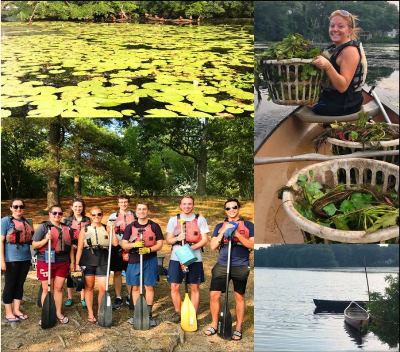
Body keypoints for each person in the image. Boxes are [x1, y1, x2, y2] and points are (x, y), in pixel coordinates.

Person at [205, 199, 254, 341]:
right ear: (225, 210)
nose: (231, 210)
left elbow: (252, 244)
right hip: (222, 264)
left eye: (234, 207)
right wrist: (223, 232)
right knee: (214, 294)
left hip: (240, 265)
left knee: (239, 296)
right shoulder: (220, 225)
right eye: (228, 208)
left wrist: (238, 235)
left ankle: (238, 328)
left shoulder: (249, 225)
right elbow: (213, 246)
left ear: (239, 208)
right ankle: (214, 324)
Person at [312, 9, 367, 116]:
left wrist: (327, 66)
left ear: (350, 31)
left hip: (345, 104)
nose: (335, 29)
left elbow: (342, 87)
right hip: (337, 99)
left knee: (310, 105)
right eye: (332, 26)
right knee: (306, 99)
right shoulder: (336, 47)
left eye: (340, 26)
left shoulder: (349, 51)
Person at [165, 196, 209, 322]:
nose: (187, 206)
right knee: (174, 286)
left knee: (194, 287)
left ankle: (192, 314)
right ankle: (179, 312)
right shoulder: (174, 220)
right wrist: (177, 238)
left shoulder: (200, 219)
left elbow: (205, 240)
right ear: (180, 205)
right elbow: (168, 240)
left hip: (194, 256)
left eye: (189, 204)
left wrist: (190, 250)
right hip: (176, 256)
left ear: (193, 205)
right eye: (184, 204)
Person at [121, 203, 164, 327]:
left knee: (149, 287)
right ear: (136, 211)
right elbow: (124, 244)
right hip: (134, 260)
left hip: (149, 259)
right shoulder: (130, 227)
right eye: (139, 209)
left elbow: (160, 244)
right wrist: (134, 245)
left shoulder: (154, 226)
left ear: (147, 211)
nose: (142, 211)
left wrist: (148, 250)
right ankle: (137, 313)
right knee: (134, 287)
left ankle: (148, 314)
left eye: (144, 209)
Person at [32, 204, 73, 325]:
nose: (57, 215)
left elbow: (70, 248)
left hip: (62, 261)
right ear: (50, 214)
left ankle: (58, 312)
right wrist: (45, 239)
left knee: (59, 288)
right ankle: (46, 313)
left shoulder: (67, 228)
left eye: (60, 213)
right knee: (46, 288)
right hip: (45, 260)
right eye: (54, 213)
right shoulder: (43, 227)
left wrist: (72, 263)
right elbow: (34, 245)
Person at [75, 206, 118, 323]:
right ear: (90, 216)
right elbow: (79, 248)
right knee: (88, 287)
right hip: (88, 259)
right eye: (93, 215)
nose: (96, 217)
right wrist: (76, 264)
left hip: (103, 260)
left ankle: (100, 311)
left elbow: (115, 243)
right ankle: (90, 313)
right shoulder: (84, 230)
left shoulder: (107, 228)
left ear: (102, 215)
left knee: (103, 289)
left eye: (99, 214)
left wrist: (112, 231)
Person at [1, 199, 34, 322]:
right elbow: (1, 242)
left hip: (25, 258)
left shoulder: (26, 221)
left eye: (21, 206)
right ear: (11, 208)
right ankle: (8, 312)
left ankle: (17, 309)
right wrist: (2, 260)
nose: (18, 208)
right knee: (10, 285)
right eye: (15, 206)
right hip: (11, 259)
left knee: (20, 284)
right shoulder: (5, 221)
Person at [107, 195, 136, 309]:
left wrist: (129, 245)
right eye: (121, 202)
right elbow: (109, 230)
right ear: (118, 203)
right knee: (118, 272)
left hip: (130, 247)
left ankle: (130, 296)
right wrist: (118, 242)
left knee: (129, 272)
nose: (123, 204)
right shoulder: (113, 216)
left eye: (125, 202)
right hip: (116, 246)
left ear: (128, 203)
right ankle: (118, 296)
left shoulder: (133, 215)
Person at [63, 198, 90, 308]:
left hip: (84, 249)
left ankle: (83, 298)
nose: (78, 208)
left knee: (82, 272)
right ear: (72, 207)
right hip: (71, 249)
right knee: (71, 271)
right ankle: (70, 297)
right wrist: (71, 245)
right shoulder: (67, 220)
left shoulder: (88, 220)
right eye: (76, 206)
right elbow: (64, 236)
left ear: (83, 208)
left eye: (80, 206)